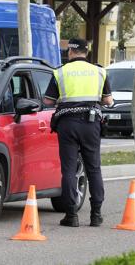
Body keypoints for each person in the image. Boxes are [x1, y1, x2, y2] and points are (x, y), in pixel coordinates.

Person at [43, 38, 113, 228]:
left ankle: (71, 215)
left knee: (69, 169)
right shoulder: (99, 71)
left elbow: (48, 101)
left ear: (70, 52)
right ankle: (96, 215)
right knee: (94, 168)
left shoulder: (60, 72)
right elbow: (108, 100)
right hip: (91, 124)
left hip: (67, 125)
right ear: (86, 52)